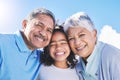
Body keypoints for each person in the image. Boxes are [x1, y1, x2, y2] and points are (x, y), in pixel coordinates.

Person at [0, 8, 55, 80]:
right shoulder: (2, 43)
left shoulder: (41, 57)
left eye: (49, 30)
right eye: (39, 25)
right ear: (25, 25)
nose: (43, 33)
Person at [64, 12, 120, 80]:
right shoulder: (77, 66)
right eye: (71, 38)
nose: (77, 42)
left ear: (94, 34)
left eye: (81, 35)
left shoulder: (114, 56)